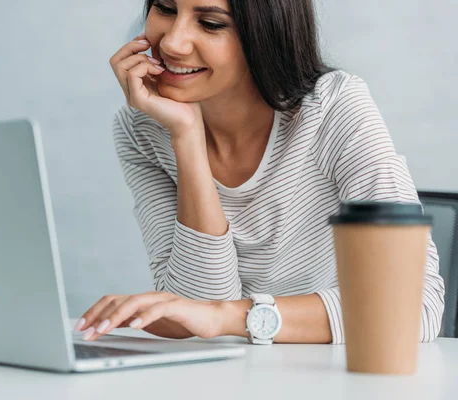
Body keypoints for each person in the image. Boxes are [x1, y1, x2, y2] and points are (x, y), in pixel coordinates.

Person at [74, 0, 445, 344]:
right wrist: (186, 138)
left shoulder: (331, 107)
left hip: (337, 375)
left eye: (210, 23)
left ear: (266, 32)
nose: (172, 43)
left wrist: (233, 317)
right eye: (166, 8)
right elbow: (199, 313)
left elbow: (413, 306)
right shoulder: (143, 128)